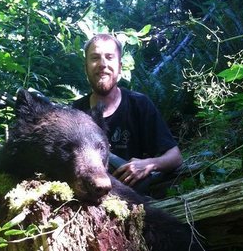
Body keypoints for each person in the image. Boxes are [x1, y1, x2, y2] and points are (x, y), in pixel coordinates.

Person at [73, 33, 183, 193]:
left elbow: (175, 156)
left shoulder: (139, 104)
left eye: (109, 57)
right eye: (95, 57)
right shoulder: (75, 112)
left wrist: (148, 165)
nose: (102, 64)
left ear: (120, 67)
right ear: (86, 67)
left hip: (133, 199)